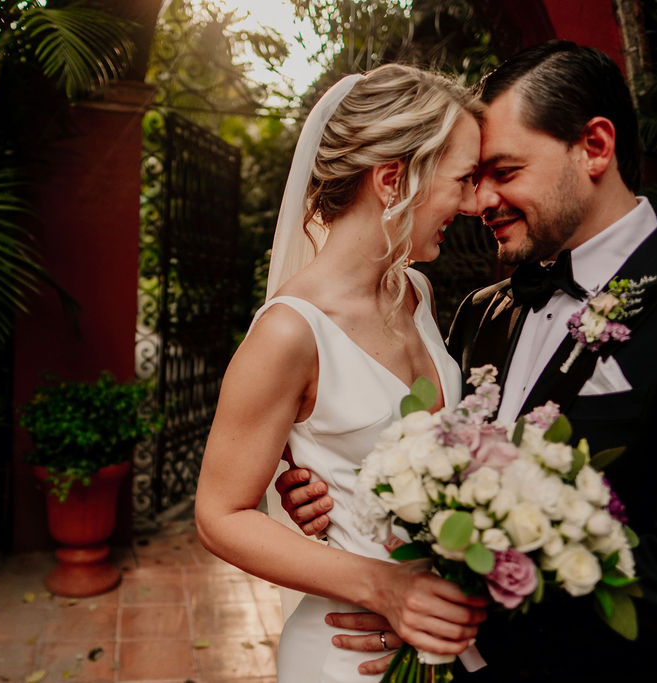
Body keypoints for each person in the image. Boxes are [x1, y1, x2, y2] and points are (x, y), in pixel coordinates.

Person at [281, 41, 657, 680]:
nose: (480, 202)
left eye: (504, 172)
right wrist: (333, 490)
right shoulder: (483, 313)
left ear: (595, 147)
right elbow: (425, 462)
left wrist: (472, 593)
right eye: (474, 177)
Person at [193, 64, 488, 683]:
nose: (472, 203)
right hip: (346, 653)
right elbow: (220, 514)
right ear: (392, 180)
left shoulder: (416, 293)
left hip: (442, 639)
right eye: (461, 180)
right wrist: (384, 586)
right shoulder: (288, 333)